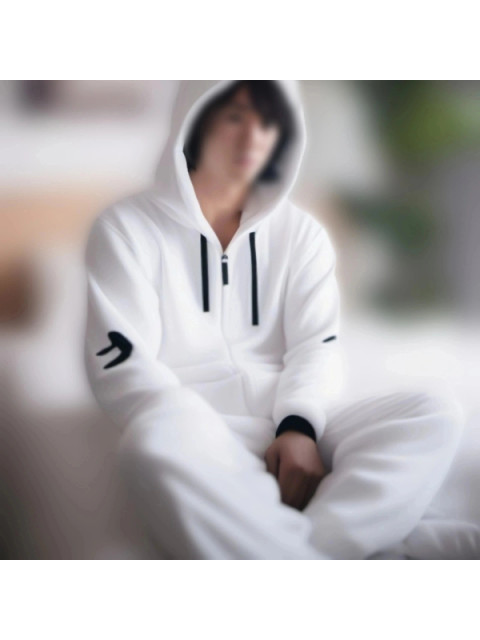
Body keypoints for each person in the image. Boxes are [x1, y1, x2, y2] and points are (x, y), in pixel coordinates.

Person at [83, 80, 465, 559]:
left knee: (434, 412)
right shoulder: (126, 229)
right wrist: (199, 436)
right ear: (193, 119)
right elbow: (123, 364)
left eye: (269, 122)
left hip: (290, 424)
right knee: (149, 439)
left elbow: (317, 346)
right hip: (198, 434)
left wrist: (298, 427)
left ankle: (297, 552)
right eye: (236, 117)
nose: (253, 137)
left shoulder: (302, 234)